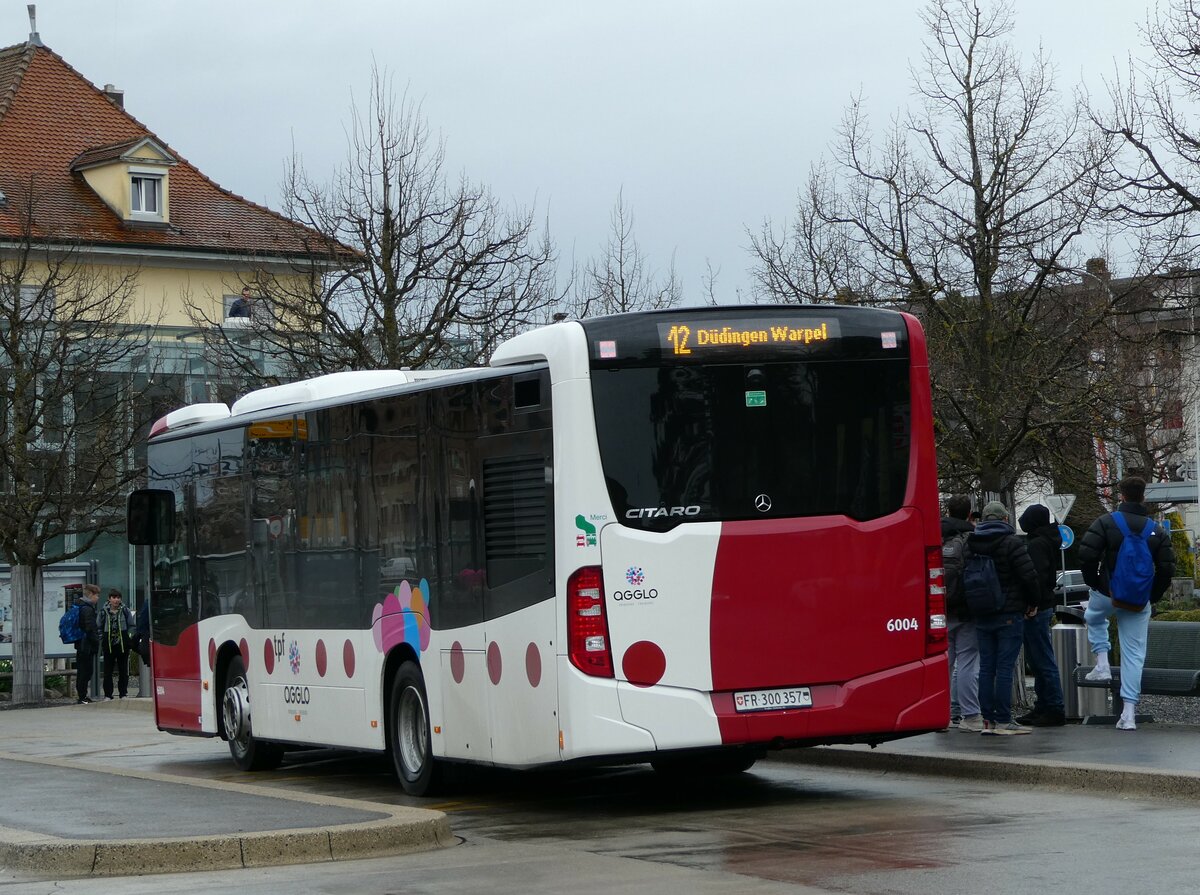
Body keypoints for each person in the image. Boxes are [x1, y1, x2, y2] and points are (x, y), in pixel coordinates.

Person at [1077, 476, 1175, 731]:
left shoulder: (1106, 522)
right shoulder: (1156, 529)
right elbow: (1166, 569)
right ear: (1143, 497)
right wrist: (1151, 597)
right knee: (1134, 654)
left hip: (1108, 594)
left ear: (1121, 496)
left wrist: (1097, 584)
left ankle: (1102, 664)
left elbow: (1086, 554)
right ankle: (1129, 715)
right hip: (1138, 600)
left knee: (1093, 616)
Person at [968, 501, 1040, 735]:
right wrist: (1033, 603)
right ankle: (1004, 720)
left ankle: (987, 720)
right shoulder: (1012, 542)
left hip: (981, 612)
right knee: (1005, 668)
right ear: (1005, 519)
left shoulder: (972, 543)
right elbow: (1029, 576)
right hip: (1008, 613)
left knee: (987, 667)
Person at [1016, 504, 1066, 726]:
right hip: (1044, 605)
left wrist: (1032, 603)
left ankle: (1053, 706)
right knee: (1040, 658)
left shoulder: (1036, 544)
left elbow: (1033, 576)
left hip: (1036, 608)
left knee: (1041, 659)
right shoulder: (1048, 541)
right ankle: (1044, 705)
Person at [941, 495, 982, 732]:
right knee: (967, 661)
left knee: (944, 662)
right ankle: (970, 716)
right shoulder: (972, 537)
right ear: (969, 513)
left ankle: (941, 714)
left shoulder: (935, 533)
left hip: (941, 608)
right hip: (966, 609)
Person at [98, 588, 135, 700]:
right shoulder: (103, 612)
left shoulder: (125, 610)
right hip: (108, 645)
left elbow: (132, 626)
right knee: (108, 671)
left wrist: (128, 637)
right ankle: (108, 694)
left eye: (118, 597)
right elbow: (98, 627)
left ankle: (123, 693)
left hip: (122, 645)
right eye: (114, 597)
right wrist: (101, 637)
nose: (116, 600)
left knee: (123, 670)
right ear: (109, 599)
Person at [74, 584, 101, 704]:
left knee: (82, 670)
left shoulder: (80, 606)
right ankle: (82, 696)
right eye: (96, 595)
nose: (98, 598)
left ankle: (82, 695)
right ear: (90, 595)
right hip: (87, 645)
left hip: (81, 644)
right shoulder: (87, 609)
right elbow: (90, 628)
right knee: (86, 671)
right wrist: (96, 642)